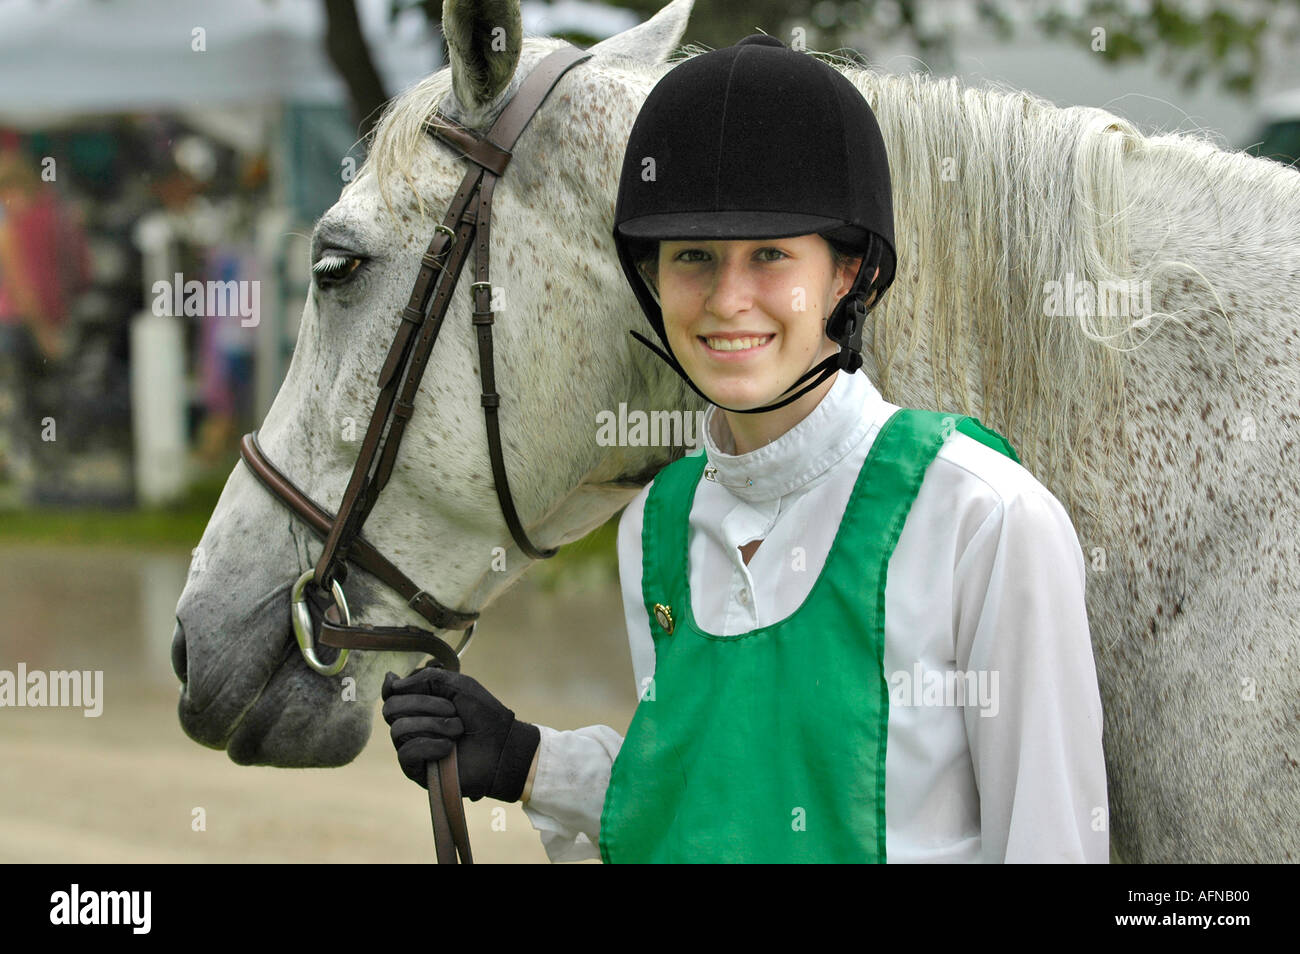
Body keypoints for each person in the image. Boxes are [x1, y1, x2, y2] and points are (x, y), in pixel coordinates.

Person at [382, 34, 1108, 863]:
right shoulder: (656, 522)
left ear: (851, 276)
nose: (728, 301)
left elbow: (1051, 842)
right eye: (694, 256)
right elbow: (708, 806)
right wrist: (526, 759)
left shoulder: (987, 518)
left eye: (770, 255)